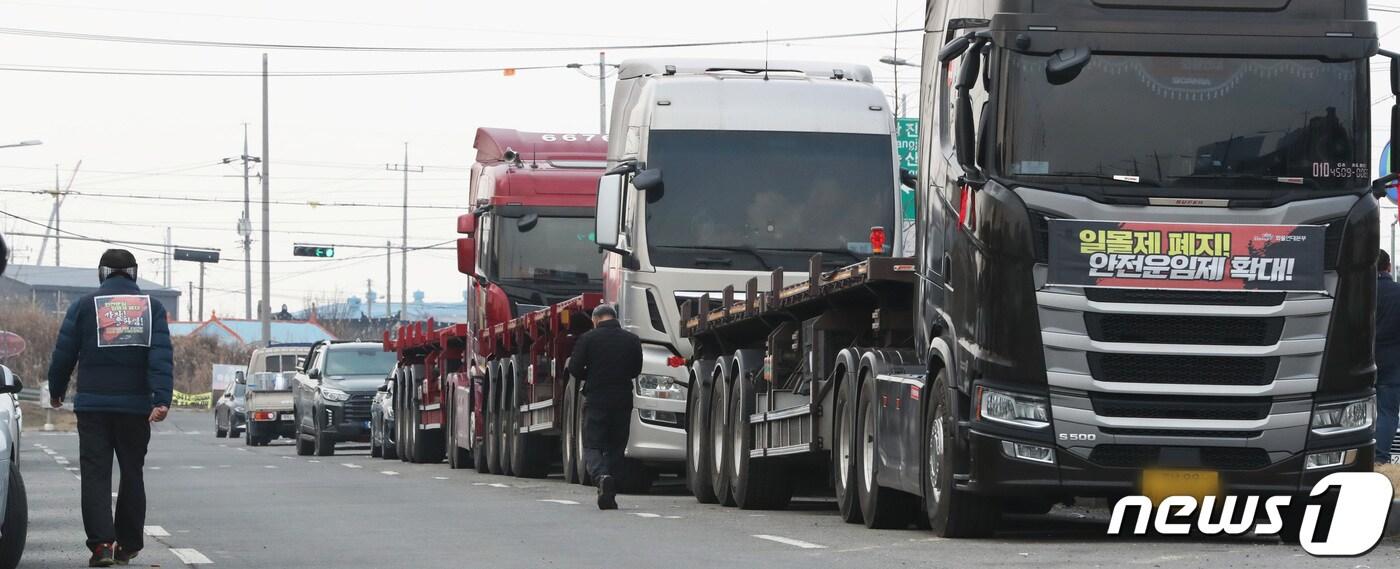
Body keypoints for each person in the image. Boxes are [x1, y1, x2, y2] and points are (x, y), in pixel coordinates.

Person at [47, 249, 172, 567]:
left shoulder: (83, 306)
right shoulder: (151, 308)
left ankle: (102, 545)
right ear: (133, 272)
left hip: (92, 408)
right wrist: (161, 399)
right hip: (135, 409)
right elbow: (160, 357)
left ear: (102, 272)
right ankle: (128, 545)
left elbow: (64, 354)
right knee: (132, 473)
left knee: (95, 474)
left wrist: (56, 391)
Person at [567, 304, 642, 510]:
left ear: (596, 319)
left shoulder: (588, 339)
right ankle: (610, 490)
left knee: (593, 444)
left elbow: (574, 368)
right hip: (622, 400)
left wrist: (589, 376)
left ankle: (602, 477)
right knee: (617, 447)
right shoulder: (632, 340)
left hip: (597, 399)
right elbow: (636, 369)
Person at [1376, 250, 1400, 465]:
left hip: (1354, 363)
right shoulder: (1397, 293)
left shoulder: (1355, 292)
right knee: (1387, 412)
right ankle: (1379, 460)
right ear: (1388, 266)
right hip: (1391, 364)